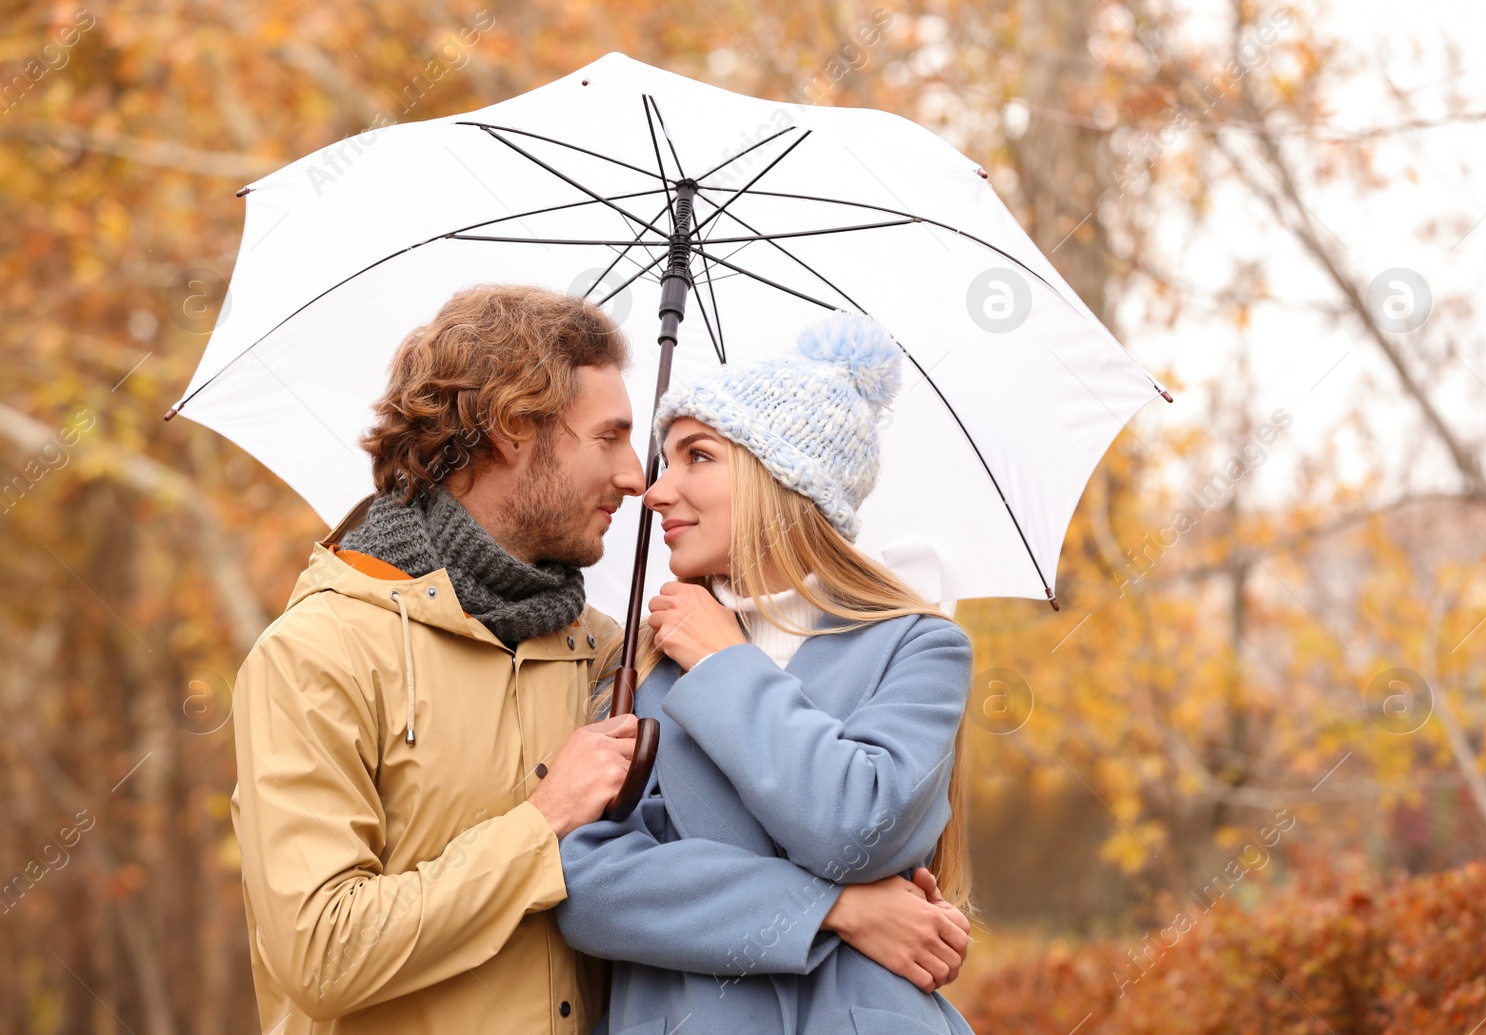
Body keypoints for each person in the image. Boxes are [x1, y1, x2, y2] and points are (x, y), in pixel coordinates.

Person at [229, 284, 647, 1034]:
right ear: (515, 427)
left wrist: (840, 910)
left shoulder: (605, 655)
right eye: (609, 437)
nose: (635, 474)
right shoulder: (318, 653)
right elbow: (323, 952)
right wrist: (541, 825)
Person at [557, 311, 979, 1035]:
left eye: (697, 456)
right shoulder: (641, 662)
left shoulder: (918, 647)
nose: (654, 490)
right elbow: (586, 886)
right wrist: (840, 907)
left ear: (778, 477)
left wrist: (727, 663)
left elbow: (861, 824)